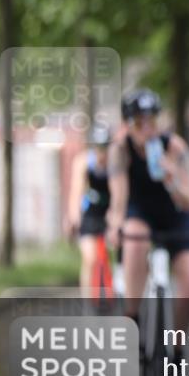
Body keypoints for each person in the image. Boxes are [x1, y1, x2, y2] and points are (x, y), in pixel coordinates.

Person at [105, 88, 189, 368]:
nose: (147, 128)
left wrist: (170, 175)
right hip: (140, 212)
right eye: (139, 122)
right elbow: (119, 197)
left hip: (176, 215)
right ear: (128, 123)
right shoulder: (119, 150)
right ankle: (133, 317)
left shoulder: (174, 147)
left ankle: (177, 348)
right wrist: (115, 226)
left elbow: (188, 200)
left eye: (152, 120)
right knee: (135, 241)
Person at [65, 124, 112, 297]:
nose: (102, 152)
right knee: (90, 258)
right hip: (91, 213)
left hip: (111, 211)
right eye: (99, 147)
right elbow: (76, 191)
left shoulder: (117, 162)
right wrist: (73, 217)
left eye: (106, 147)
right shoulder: (84, 162)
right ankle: (87, 301)